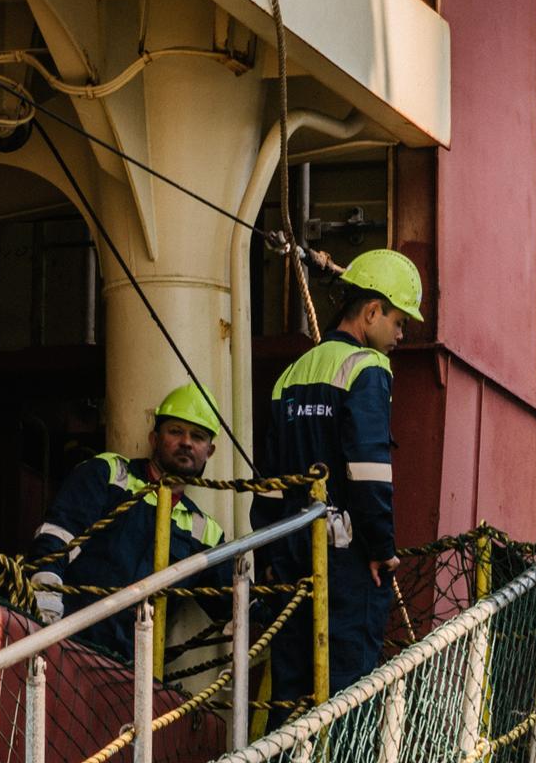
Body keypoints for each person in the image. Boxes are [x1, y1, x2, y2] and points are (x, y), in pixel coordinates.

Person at [266, 250, 422, 696]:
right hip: (347, 562)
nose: (401, 334)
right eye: (398, 321)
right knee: (347, 694)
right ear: (372, 311)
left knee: (291, 692)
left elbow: (271, 483)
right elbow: (370, 471)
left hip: (291, 559)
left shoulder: (290, 375)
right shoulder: (369, 369)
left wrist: (274, 560)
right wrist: (381, 547)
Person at [30, 383, 225, 642]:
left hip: (130, 668)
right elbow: (59, 531)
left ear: (209, 451)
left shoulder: (206, 533)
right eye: (176, 431)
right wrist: (46, 588)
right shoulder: (108, 474)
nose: (186, 442)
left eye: (198, 436)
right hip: (67, 640)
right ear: (154, 439)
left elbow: (233, 602)